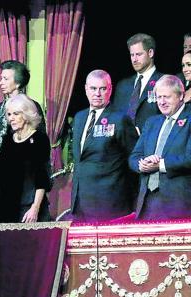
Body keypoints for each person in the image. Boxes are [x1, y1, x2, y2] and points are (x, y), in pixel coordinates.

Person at [71, 70, 138, 222]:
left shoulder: (120, 119)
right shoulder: (79, 117)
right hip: (81, 201)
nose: (97, 94)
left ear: (110, 89)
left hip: (110, 201)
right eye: (93, 89)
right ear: (86, 89)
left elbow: (134, 159)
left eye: (102, 89)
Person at [129, 75, 191, 221]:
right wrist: (142, 164)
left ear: (181, 95)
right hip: (147, 203)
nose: (161, 102)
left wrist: (160, 165)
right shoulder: (152, 122)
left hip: (179, 205)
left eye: (167, 97)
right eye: (159, 97)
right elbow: (134, 156)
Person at [0, 94, 51, 224]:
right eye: (9, 114)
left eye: (16, 114)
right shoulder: (8, 140)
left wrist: (35, 208)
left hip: (28, 208)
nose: (11, 118)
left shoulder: (40, 139)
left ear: (26, 115)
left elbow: (42, 178)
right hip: (4, 206)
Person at [0, 60, 46, 161]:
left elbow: (39, 135)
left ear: (18, 83)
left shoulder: (30, 105)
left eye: (5, 79)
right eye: (1, 78)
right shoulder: (1, 107)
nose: (1, 82)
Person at [112, 33, 162, 132]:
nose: (134, 59)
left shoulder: (164, 82)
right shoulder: (122, 86)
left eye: (139, 54)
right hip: (122, 145)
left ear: (150, 53)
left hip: (149, 143)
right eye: (132, 55)